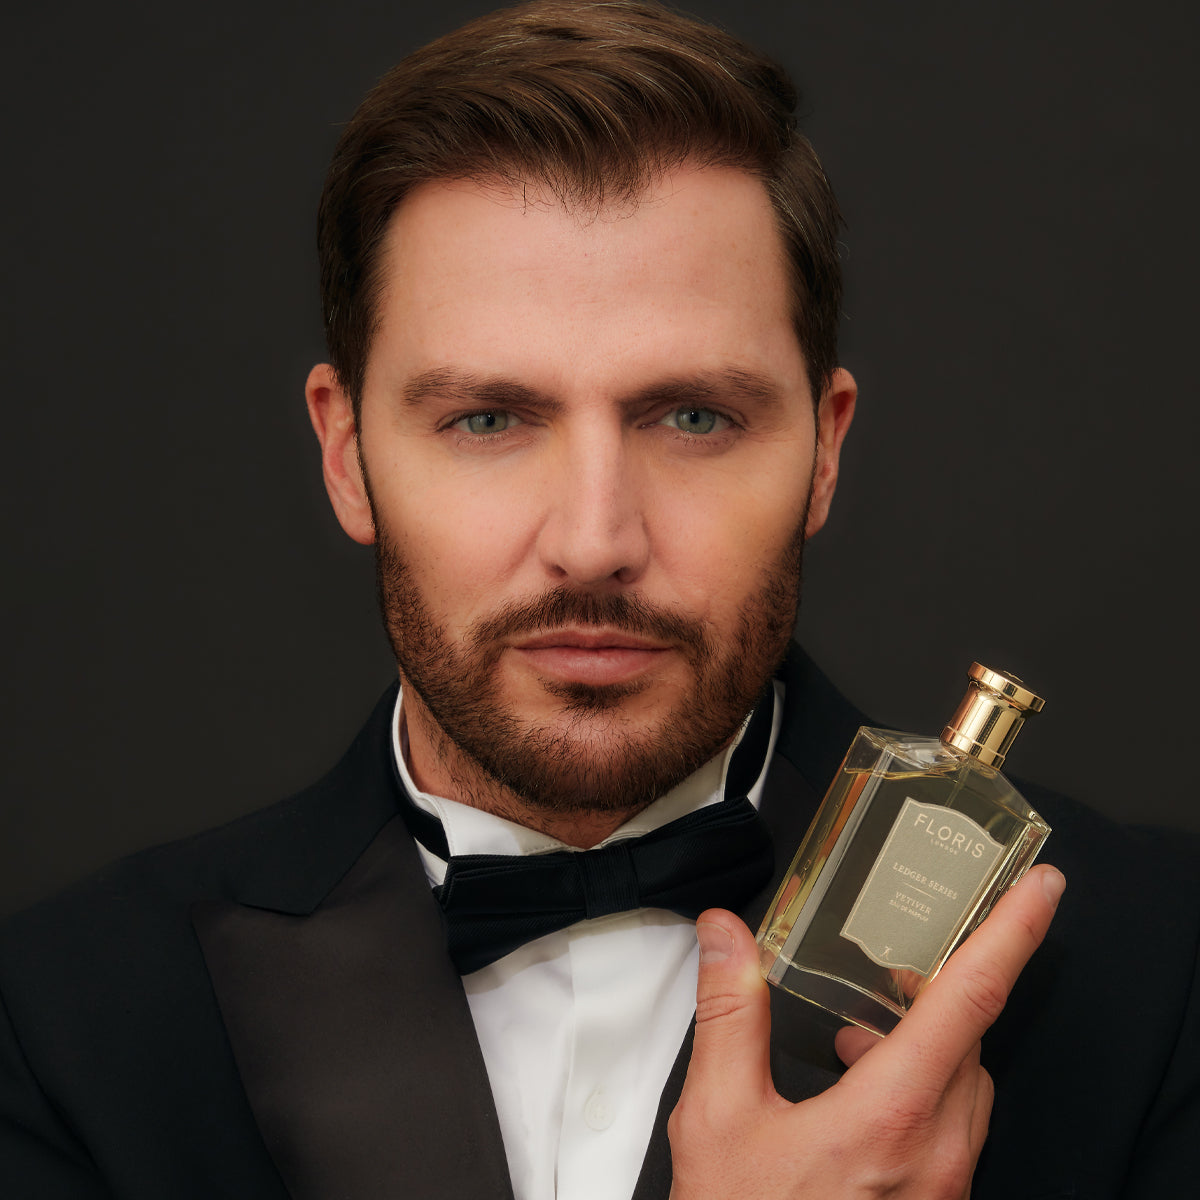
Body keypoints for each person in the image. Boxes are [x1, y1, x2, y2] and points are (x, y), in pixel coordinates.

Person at [0, 3, 1195, 1198]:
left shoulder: (1163, 975)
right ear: (346, 454)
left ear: (825, 454)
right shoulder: (59, 1022)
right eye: (486, 420)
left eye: (693, 418)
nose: (591, 542)